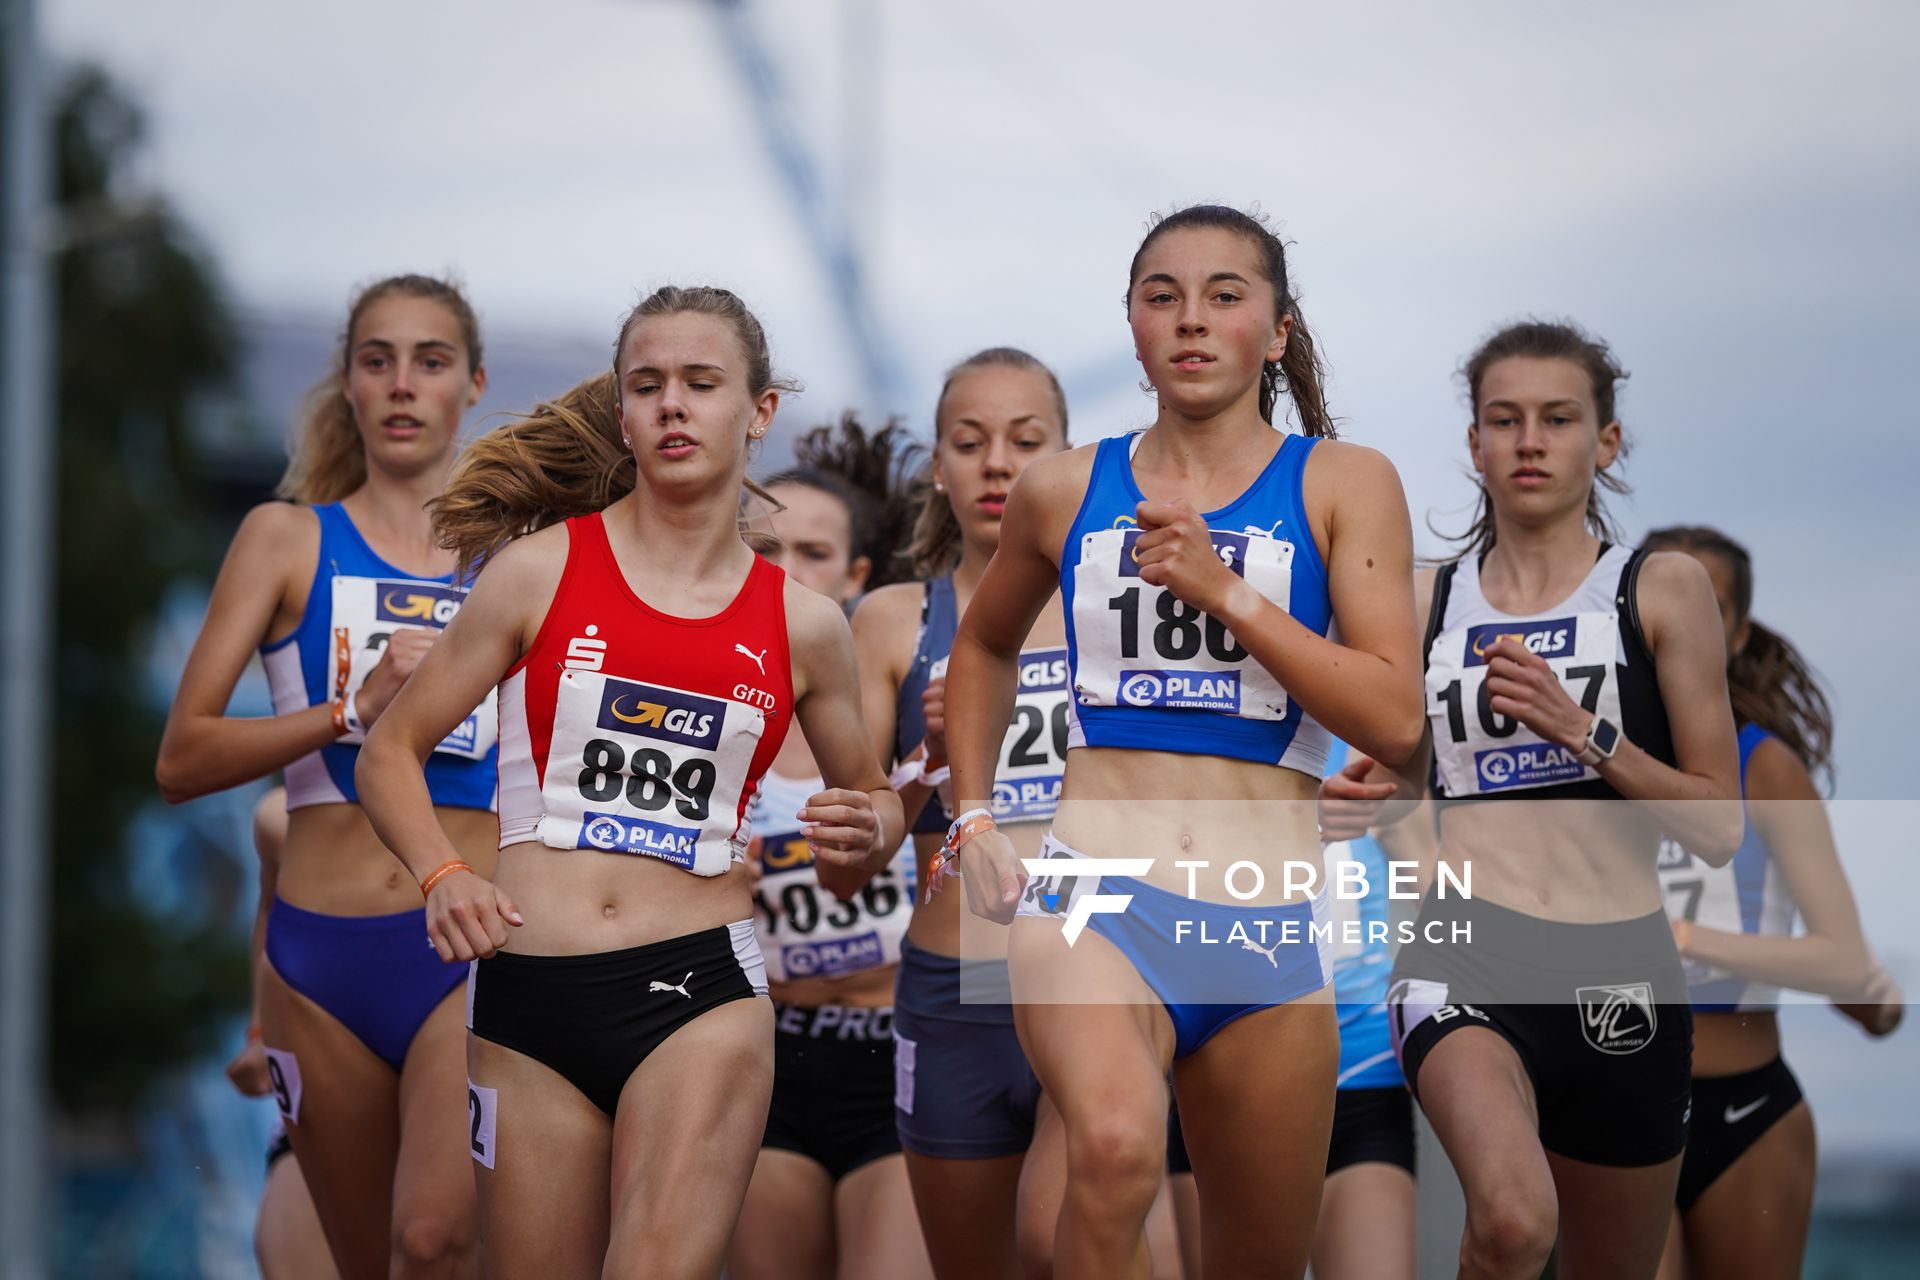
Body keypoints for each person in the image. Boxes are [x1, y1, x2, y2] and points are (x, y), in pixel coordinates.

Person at [355, 285, 904, 1280]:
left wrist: (864, 826)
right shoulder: (534, 573)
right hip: (528, 993)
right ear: (622, 411)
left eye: (702, 383)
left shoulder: (805, 624)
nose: (673, 406)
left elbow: (874, 795)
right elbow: (388, 749)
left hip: (698, 991)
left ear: (760, 410)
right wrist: (443, 873)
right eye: (647, 385)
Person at [944, 206, 1425, 1279]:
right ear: (1131, 324)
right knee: (1112, 1148)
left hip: (1266, 920)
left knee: (1256, 1258)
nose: (1192, 320)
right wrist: (969, 816)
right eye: (1162, 296)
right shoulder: (1065, 485)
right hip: (1097, 892)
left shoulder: (1347, 482)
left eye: (1225, 295)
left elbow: (1395, 716)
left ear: (1279, 331)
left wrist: (1224, 590)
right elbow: (982, 647)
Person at [1325, 319, 1744, 1279]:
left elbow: (1720, 825)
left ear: (1605, 441)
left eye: (1558, 419)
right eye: (1504, 420)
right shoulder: (1429, 601)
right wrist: (1372, 792)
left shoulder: (1660, 590)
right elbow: (1409, 771)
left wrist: (1582, 729)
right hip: (1466, 947)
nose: (1529, 441)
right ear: (1473, 444)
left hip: (1620, 963)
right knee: (1512, 1222)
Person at [157, 274, 495, 1276]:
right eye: (376, 359)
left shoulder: (514, 559)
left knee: (434, 1238)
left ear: (472, 385)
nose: (402, 384)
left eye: (430, 361)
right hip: (318, 958)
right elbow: (183, 757)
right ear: (347, 383)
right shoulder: (285, 539)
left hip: (462, 947)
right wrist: (348, 711)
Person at [847, 348, 1080, 1279]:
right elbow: (853, 850)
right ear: (937, 468)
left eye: (1027, 442)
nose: (997, 464)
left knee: (1059, 1242)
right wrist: (929, 763)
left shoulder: (1112, 612)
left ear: (1067, 459)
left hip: (1087, 973)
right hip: (950, 995)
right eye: (970, 442)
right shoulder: (891, 621)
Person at [1643, 524, 1902, 1280]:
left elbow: (1842, 957)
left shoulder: (1770, 770)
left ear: (1739, 631)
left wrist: (1692, 940)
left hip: (1749, 1114)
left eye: (1708, 606)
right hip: (1622, 1100)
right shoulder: (1594, 756)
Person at [726, 416, 933, 1280]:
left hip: (901, 1052)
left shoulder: (909, 712)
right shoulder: (710, 727)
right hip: (767, 1058)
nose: (786, 574)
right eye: (765, 550)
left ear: (856, 577)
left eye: (812, 553)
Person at [221, 788, 338, 1280]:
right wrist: (259, 1030)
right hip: (322, 1084)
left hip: (449, 1077)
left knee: (429, 1244)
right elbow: (271, 914)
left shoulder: (496, 785)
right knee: (284, 1248)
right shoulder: (279, 815)